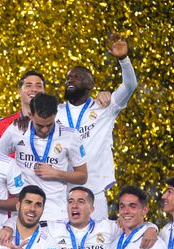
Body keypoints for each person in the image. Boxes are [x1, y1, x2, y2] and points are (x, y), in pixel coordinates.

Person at [56, 32, 137, 220]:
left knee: (98, 246)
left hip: (95, 191)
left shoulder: (105, 107)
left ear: (91, 84)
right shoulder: (56, 113)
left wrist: (123, 59)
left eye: (76, 77)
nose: (70, 80)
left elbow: (130, 85)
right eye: (68, 78)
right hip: (61, 193)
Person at [0, 93, 87, 230]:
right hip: (23, 212)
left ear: (55, 115)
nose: (44, 130)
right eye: (39, 125)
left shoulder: (70, 136)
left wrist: (56, 173)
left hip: (56, 214)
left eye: (49, 125)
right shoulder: (17, 129)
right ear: (30, 115)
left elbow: (82, 176)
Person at [0, 71, 46, 146]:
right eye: (28, 85)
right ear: (19, 92)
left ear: (44, 92)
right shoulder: (4, 125)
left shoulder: (55, 125)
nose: (34, 89)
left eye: (39, 86)